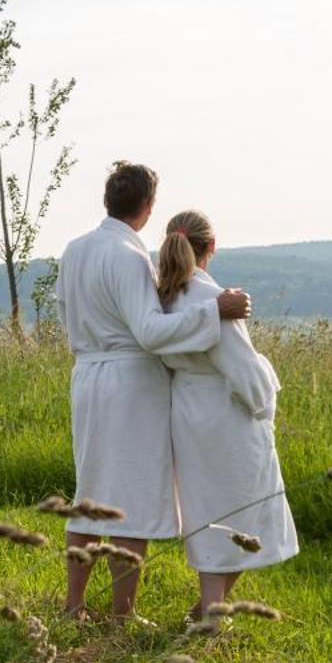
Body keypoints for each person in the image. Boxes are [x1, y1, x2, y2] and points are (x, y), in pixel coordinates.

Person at [55, 162, 251, 619]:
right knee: (130, 497)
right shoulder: (129, 256)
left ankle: (74, 605)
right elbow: (148, 331)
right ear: (147, 207)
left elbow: (68, 317)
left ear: (109, 200)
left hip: (86, 375)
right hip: (130, 382)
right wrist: (213, 312)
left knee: (90, 491)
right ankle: (122, 612)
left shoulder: (74, 249)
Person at [155, 210, 298, 615]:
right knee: (244, 510)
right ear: (211, 247)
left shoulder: (165, 298)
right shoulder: (213, 301)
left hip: (187, 413)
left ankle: (207, 609)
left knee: (206, 508)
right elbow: (243, 368)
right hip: (225, 416)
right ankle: (210, 610)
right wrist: (264, 404)